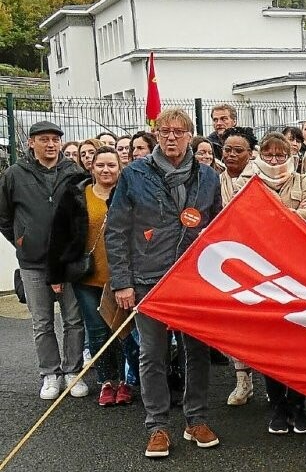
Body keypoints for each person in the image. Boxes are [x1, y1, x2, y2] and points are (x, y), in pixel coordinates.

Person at [106, 108, 223, 459]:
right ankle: (157, 426)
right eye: (164, 131)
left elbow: (217, 229)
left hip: (192, 280)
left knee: (196, 352)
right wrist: (122, 282)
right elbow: (116, 231)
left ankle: (196, 419)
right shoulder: (135, 174)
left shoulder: (208, 177)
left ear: (190, 135)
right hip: (148, 277)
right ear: (156, 136)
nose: (171, 137)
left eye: (179, 131)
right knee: (152, 353)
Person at [225, 132, 306, 435]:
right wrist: (287, 216)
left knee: (300, 342)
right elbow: (237, 217)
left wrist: (273, 215)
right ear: (259, 155)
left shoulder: (303, 180)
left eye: (281, 155)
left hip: (300, 272)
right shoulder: (247, 182)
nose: (275, 160)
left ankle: (298, 404)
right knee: (270, 341)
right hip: (260, 274)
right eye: (269, 155)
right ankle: (278, 404)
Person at [0, 121, 87, 400]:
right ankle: (50, 373)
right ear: (31, 143)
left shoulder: (74, 172)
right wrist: (22, 240)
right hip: (33, 263)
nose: (51, 144)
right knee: (42, 321)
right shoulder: (14, 174)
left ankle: (73, 370)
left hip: (68, 261)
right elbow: (4, 216)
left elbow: (82, 215)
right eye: (44, 139)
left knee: (74, 319)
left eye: (55, 139)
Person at [48, 145, 137, 406]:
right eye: (101, 165)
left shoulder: (129, 194)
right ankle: (107, 382)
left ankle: (126, 382)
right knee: (97, 332)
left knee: (123, 331)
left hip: (122, 279)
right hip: (87, 277)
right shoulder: (76, 195)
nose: (106, 170)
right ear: (91, 167)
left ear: (120, 168)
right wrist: (55, 274)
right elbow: (59, 235)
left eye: (111, 165)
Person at [215, 126, 259, 408]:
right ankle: (243, 379)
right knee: (234, 324)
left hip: (257, 258)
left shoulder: (261, 179)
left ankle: (277, 382)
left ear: (250, 153)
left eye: (238, 150)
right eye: (227, 150)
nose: (231, 155)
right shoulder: (214, 180)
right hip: (226, 260)